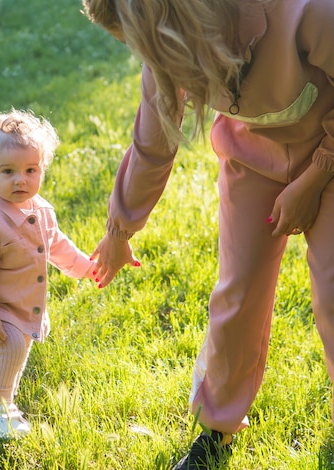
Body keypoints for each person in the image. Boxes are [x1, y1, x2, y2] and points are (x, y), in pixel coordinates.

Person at [82, 0, 334, 468]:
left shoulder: (307, 12)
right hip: (253, 157)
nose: (150, 58)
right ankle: (217, 428)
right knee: (237, 293)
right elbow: (153, 142)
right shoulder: (172, 48)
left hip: (329, 150)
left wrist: (314, 177)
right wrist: (119, 229)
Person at [0, 109, 98, 439]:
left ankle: (6, 394)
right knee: (9, 349)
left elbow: (57, 246)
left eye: (30, 170)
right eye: (8, 171)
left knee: (18, 350)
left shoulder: (41, 210)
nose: (20, 179)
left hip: (25, 304)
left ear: (42, 169)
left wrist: (85, 267)